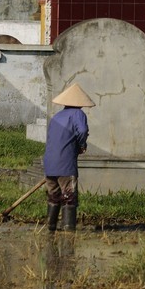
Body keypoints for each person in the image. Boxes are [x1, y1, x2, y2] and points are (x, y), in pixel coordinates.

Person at [43, 82, 93, 232]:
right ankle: (68, 230)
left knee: (54, 196)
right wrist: (81, 145)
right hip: (65, 164)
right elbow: (82, 130)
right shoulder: (78, 114)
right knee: (68, 196)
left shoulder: (57, 116)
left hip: (50, 163)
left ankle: (50, 227)